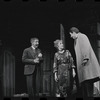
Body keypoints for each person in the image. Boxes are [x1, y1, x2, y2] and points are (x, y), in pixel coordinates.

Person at [69, 27, 100, 98]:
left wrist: (86, 58)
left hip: (87, 65)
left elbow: (86, 47)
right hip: (83, 66)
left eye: (71, 34)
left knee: (88, 83)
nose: (71, 36)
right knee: (85, 85)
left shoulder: (82, 36)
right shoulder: (76, 40)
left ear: (74, 32)